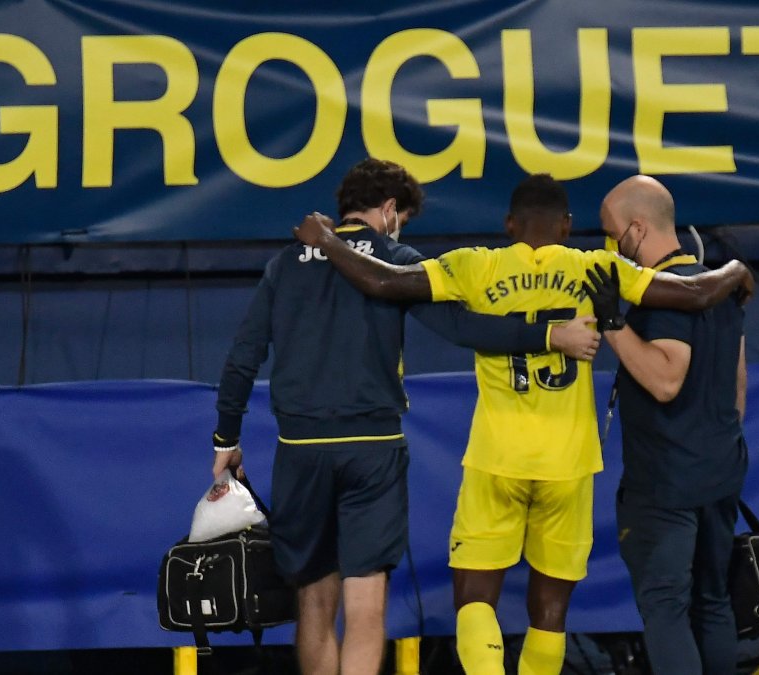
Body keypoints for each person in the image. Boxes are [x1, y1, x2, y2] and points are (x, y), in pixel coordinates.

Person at [292, 173, 754, 675]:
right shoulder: (597, 266)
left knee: (474, 600)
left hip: (498, 457)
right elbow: (691, 293)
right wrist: (734, 272)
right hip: (569, 462)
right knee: (552, 614)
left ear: (509, 224)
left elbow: (384, 281)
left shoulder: (476, 265)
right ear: (567, 225)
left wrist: (330, 242)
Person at [209, 159, 599, 675]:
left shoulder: (285, 263)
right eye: (404, 218)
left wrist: (226, 439)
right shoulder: (395, 259)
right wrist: (552, 336)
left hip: (301, 450)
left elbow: (243, 356)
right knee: (367, 606)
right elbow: (466, 329)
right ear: (390, 210)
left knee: (314, 601)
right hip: (374, 447)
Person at [586, 175, 748, 675]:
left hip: (666, 483)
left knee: (665, 609)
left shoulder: (666, 294)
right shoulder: (719, 288)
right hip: (719, 472)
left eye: (613, 234)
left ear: (637, 229)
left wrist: (612, 325)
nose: (609, 246)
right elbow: (739, 384)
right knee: (714, 602)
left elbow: (665, 379)